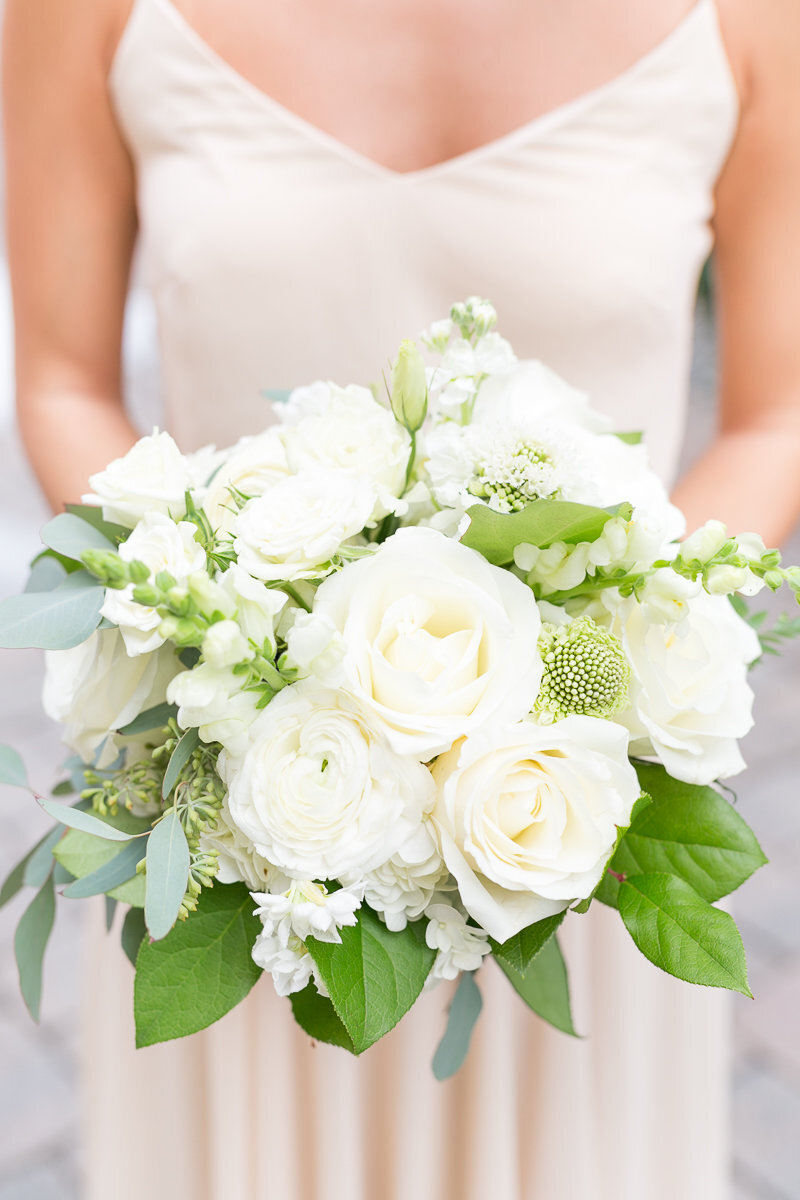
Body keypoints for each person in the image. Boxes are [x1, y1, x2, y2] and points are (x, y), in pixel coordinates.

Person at [4, 0, 800, 1196]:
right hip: (244, 819)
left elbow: (772, 414)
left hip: (563, 828)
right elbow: (64, 379)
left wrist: (552, 705)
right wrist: (231, 638)